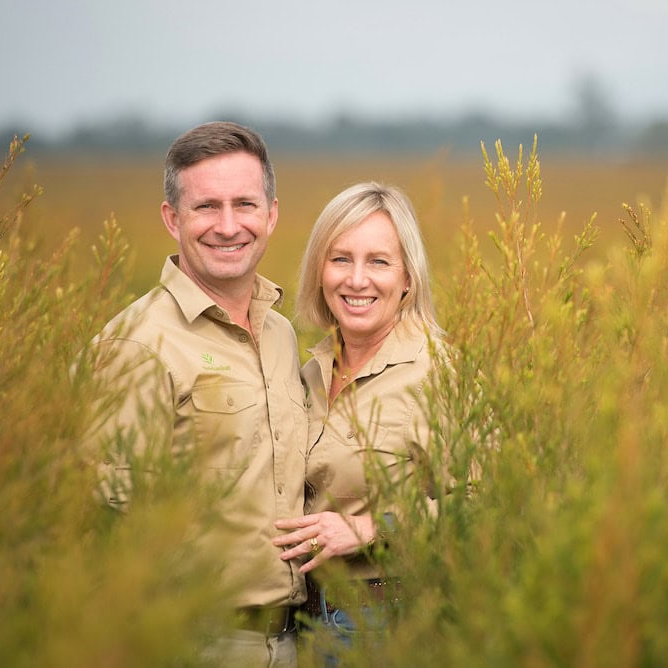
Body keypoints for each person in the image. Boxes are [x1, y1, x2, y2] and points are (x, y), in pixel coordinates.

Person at [86, 121, 307, 667]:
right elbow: (105, 521)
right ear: (172, 218)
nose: (228, 226)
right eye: (206, 206)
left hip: (293, 642)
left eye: (245, 205)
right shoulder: (135, 344)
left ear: (271, 214)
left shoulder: (281, 332)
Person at [271, 182, 445, 656]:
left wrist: (369, 528)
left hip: (385, 624)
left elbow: (489, 504)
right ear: (319, 272)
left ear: (408, 277)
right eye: (341, 259)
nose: (357, 279)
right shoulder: (304, 373)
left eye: (379, 262)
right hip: (299, 624)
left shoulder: (435, 374)